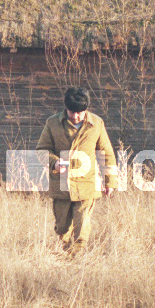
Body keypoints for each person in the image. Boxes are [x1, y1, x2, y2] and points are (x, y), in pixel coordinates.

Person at [35, 87, 118, 255]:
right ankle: (65, 251)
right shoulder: (52, 123)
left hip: (87, 184)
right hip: (61, 184)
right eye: (72, 112)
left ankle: (77, 255)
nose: (75, 116)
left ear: (86, 109)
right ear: (66, 108)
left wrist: (110, 181)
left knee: (82, 225)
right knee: (62, 227)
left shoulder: (96, 124)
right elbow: (41, 150)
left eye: (80, 112)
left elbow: (107, 153)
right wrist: (54, 162)